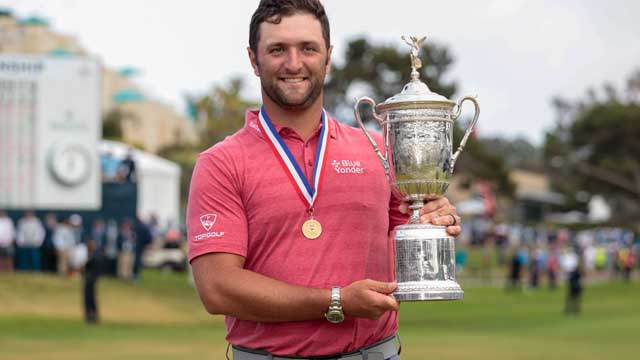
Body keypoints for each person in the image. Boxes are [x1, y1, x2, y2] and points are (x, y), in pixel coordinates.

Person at [186, 1, 462, 359]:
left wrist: (435, 220)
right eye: (277, 49)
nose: (294, 63)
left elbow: (406, 239)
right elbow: (218, 289)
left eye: (308, 48)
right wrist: (336, 301)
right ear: (254, 60)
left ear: (328, 58)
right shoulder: (221, 164)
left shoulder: (379, 151)